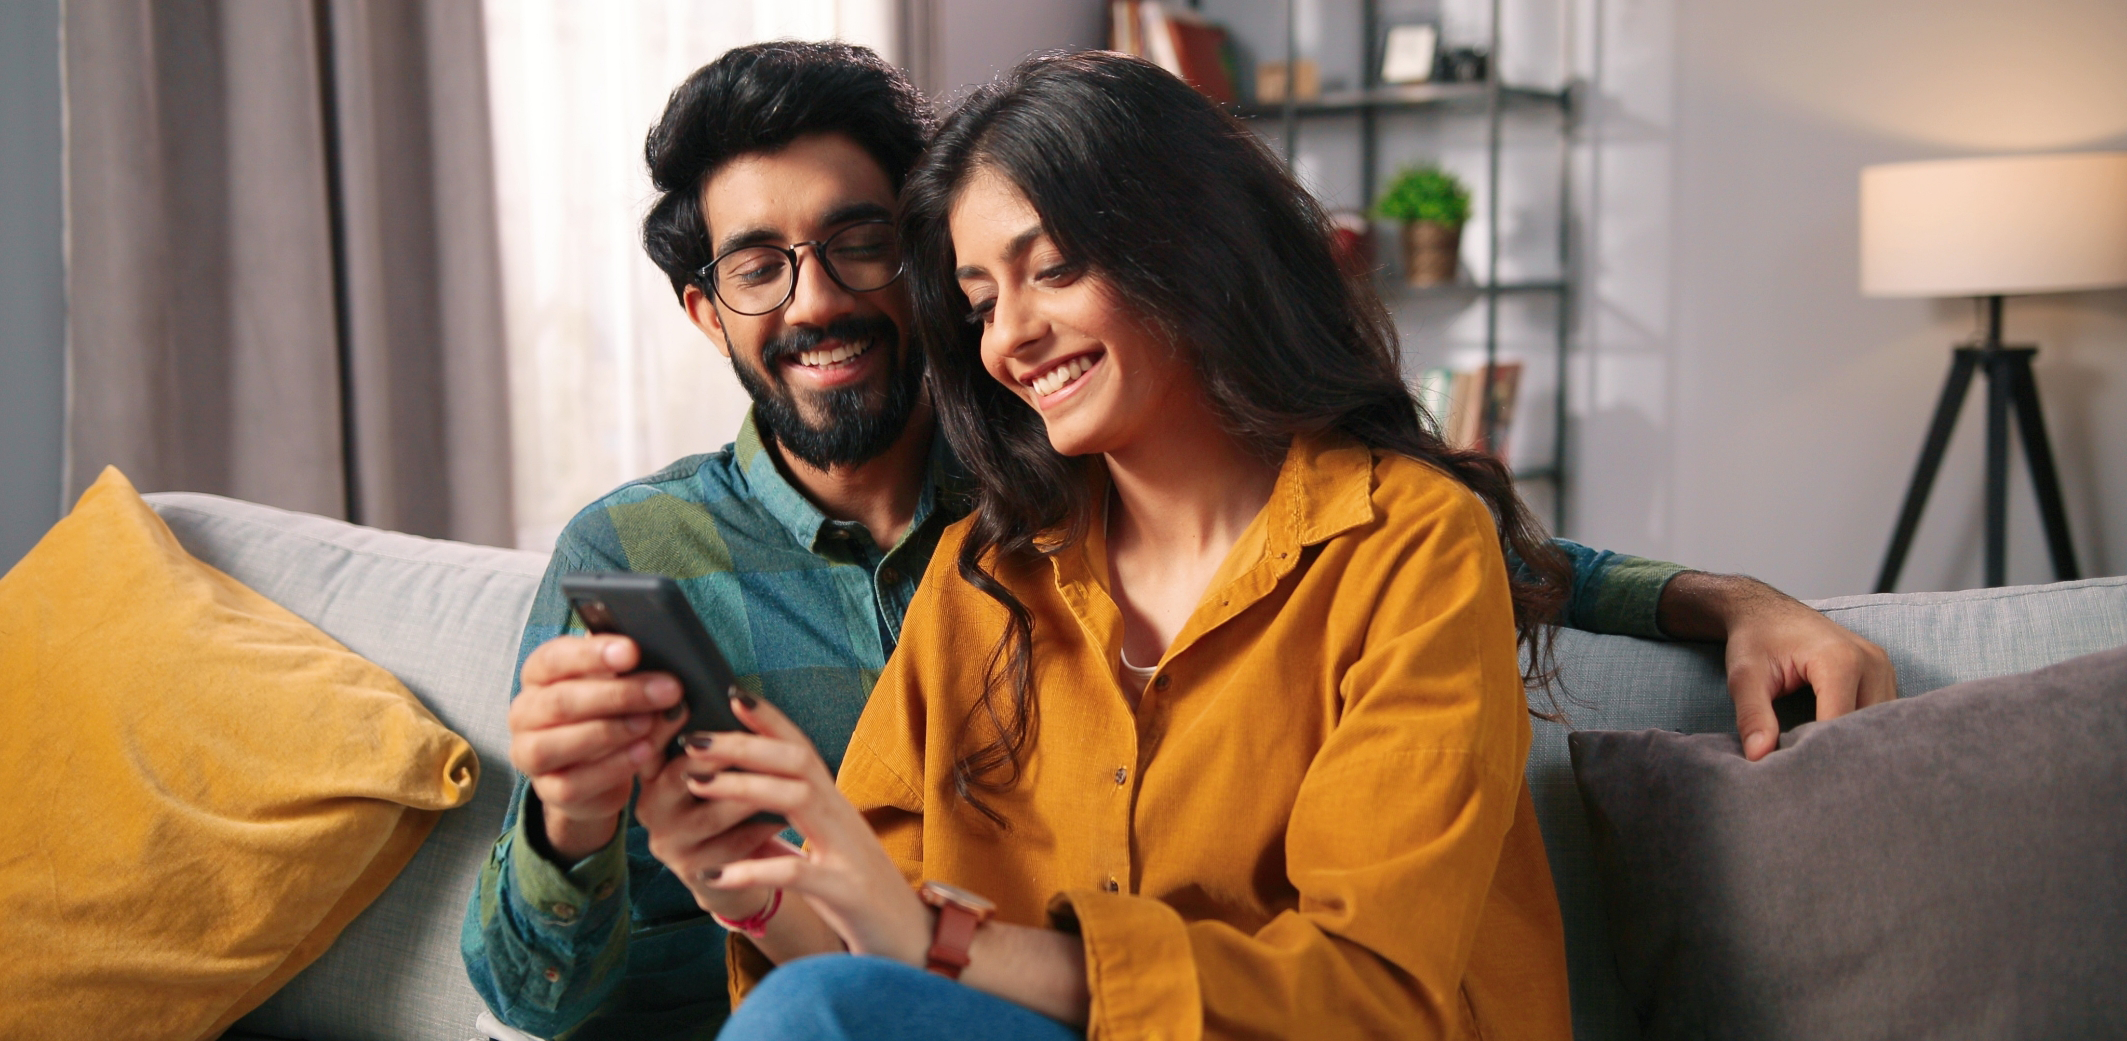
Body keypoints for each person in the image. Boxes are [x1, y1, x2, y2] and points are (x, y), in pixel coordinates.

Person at [461, 42, 1894, 1041]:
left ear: (1183, 254)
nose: (1010, 333)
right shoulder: (986, 569)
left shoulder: (1395, 543)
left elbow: (1379, 984)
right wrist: (750, 885)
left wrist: (1723, 599)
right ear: (707, 308)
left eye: (1050, 269)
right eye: (981, 291)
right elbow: (834, 960)